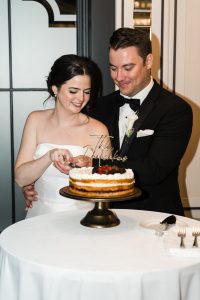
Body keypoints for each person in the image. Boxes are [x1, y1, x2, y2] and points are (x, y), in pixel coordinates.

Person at [23, 27, 193, 216]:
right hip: (103, 215)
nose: (119, 77)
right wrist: (35, 181)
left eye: (128, 67)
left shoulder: (176, 110)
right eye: (113, 68)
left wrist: (93, 164)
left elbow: (154, 170)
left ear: (148, 61)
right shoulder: (98, 106)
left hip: (154, 216)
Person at [15, 54, 111, 217]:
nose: (81, 99)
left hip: (84, 219)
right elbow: (21, 179)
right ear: (55, 89)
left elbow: (108, 188)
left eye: (86, 92)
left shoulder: (98, 129)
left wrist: (86, 168)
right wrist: (49, 157)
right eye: (73, 91)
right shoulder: (35, 120)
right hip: (40, 216)